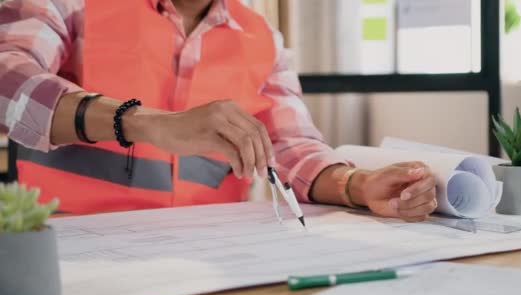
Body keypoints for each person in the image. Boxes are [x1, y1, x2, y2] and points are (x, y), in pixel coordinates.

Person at [0, 0, 437, 221]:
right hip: (65, 246)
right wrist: (140, 122)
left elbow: (290, 145)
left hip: (205, 262)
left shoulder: (261, 35)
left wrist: (356, 185)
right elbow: (7, 79)